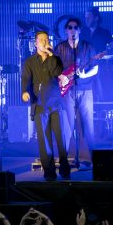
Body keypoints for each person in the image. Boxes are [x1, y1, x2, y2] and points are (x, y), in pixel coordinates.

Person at [21, 31, 69, 181]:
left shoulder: (55, 59)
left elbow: (57, 72)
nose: (44, 42)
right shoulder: (29, 62)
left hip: (55, 103)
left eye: (46, 39)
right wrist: (25, 92)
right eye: (41, 40)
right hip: (39, 103)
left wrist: (51, 55)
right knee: (44, 140)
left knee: (61, 137)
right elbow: (26, 80)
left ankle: (64, 167)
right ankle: (49, 171)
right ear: (35, 43)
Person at [55, 17, 99, 168]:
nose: (72, 30)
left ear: (79, 30)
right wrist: (61, 77)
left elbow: (95, 67)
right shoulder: (60, 48)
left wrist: (84, 74)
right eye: (69, 27)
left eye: (75, 27)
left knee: (87, 125)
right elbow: (53, 67)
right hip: (67, 92)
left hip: (85, 89)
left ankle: (91, 159)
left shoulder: (87, 47)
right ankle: (67, 159)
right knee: (67, 125)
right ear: (66, 30)